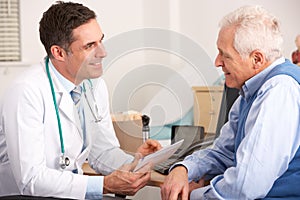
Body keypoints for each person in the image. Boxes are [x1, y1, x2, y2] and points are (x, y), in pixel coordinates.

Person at [0, 1, 162, 199]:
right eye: (89, 46)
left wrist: (137, 162)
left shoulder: (94, 85)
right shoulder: (26, 91)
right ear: (58, 52)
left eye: (101, 41)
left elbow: (102, 152)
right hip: (23, 195)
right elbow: (31, 179)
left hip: (65, 193)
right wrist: (104, 185)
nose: (103, 52)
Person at [161, 5, 300, 200]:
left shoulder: (278, 91)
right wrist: (183, 168)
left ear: (256, 59)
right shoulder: (250, 91)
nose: (217, 62)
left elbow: (245, 186)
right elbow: (223, 153)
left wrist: (194, 195)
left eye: (225, 55)